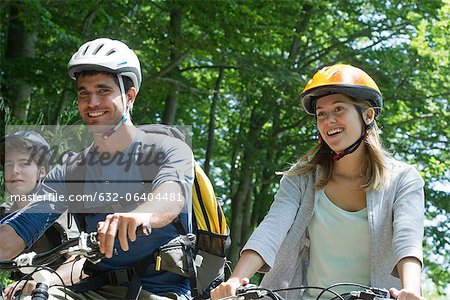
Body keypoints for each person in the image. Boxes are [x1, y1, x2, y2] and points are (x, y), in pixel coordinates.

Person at [0, 38, 194, 300]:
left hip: (161, 291)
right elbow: (21, 228)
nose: (92, 102)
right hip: (98, 289)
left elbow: (170, 196)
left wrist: (141, 216)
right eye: (83, 93)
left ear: (129, 96)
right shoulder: (70, 171)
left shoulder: (166, 148)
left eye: (103, 90)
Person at [211, 64, 425, 300]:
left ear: (368, 114)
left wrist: (411, 290)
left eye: (339, 109)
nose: (328, 120)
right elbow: (272, 228)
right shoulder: (301, 178)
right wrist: (235, 280)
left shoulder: (403, 179)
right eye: (321, 113)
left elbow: (408, 237)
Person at [1, 131, 81, 299]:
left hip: (66, 291)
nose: (14, 171)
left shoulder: (56, 209)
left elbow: (79, 262)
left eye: (23, 164)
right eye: (8, 165)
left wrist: (44, 284)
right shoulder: (4, 215)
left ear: (42, 171)